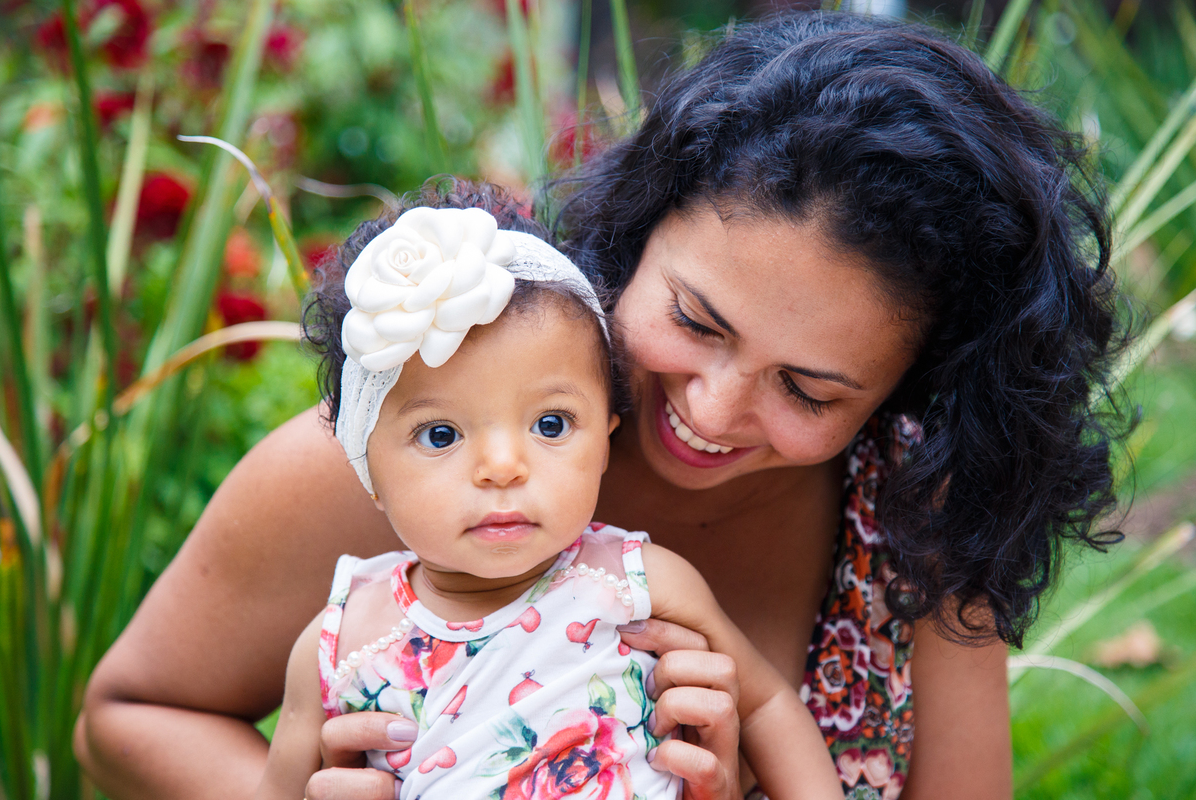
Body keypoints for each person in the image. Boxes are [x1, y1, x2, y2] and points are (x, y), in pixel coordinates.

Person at [75, 11, 1127, 800]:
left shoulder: (915, 510)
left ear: (913, 386)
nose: (712, 408)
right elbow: (127, 713)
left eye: (809, 388)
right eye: (696, 319)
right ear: (640, 224)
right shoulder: (408, 445)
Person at [254, 204, 843, 799]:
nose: (504, 467)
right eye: (441, 435)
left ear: (605, 442)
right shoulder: (343, 641)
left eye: (553, 424)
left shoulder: (637, 582)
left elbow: (767, 706)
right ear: (369, 473)